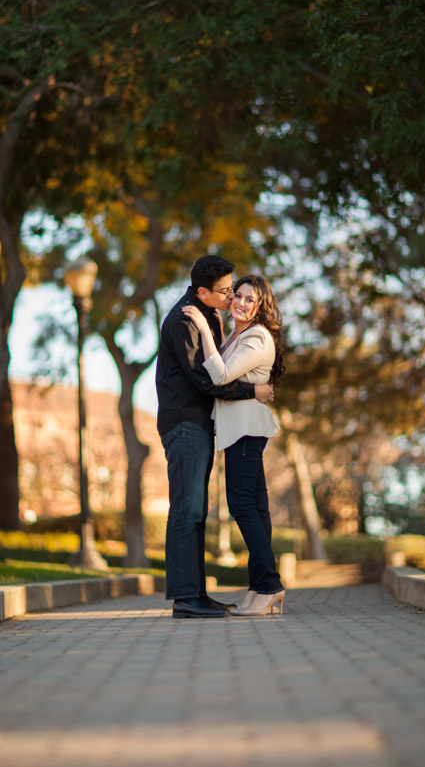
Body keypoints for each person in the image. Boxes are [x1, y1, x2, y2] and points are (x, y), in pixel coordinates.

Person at [156, 255, 274, 619]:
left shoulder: (210, 315)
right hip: (186, 423)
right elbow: (207, 381)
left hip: (202, 424)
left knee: (197, 512)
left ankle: (196, 594)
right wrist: (252, 392)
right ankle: (185, 598)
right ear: (202, 291)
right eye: (225, 291)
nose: (231, 296)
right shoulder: (184, 319)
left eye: (233, 288)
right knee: (186, 510)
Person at [181, 274, 286, 617]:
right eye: (237, 295)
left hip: (244, 431)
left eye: (249, 299)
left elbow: (221, 375)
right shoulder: (241, 335)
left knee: (242, 507)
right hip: (242, 431)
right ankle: (260, 589)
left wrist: (204, 329)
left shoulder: (256, 337)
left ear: (260, 306)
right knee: (255, 509)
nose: (239, 302)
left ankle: (270, 586)